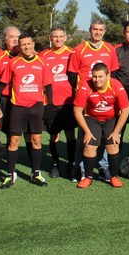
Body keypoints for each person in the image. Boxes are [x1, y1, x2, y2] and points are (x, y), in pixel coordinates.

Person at [0, 34, 53, 188]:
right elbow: (2, 83)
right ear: (20, 47)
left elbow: (48, 86)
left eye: (29, 44)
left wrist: (49, 106)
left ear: (33, 44)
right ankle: (10, 175)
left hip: (36, 107)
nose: (26, 47)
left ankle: (36, 173)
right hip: (17, 108)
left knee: (36, 140)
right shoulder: (13, 63)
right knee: (13, 141)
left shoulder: (42, 63)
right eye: (23, 45)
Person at [73, 63, 129, 189]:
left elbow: (125, 110)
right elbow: (77, 110)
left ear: (108, 75)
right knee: (89, 145)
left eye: (100, 76)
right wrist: (86, 131)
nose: (97, 80)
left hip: (111, 118)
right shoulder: (85, 86)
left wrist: (116, 132)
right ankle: (88, 177)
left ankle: (114, 176)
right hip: (92, 118)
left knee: (113, 145)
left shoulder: (116, 85)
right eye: (94, 76)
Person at [40, 26, 77, 178]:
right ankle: (55, 164)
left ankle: (71, 163)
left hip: (68, 101)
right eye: (55, 36)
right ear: (50, 38)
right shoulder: (43, 55)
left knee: (70, 134)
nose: (58, 39)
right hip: (50, 102)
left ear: (65, 38)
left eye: (61, 36)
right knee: (54, 135)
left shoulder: (72, 53)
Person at [67, 20, 119, 86]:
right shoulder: (79, 49)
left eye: (100, 30)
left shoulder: (110, 48)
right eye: (95, 29)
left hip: (105, 92)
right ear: (90, 30)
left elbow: (113, 72)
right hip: (85, 91)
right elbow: (72, 74)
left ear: (104, 31)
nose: (98, 32)